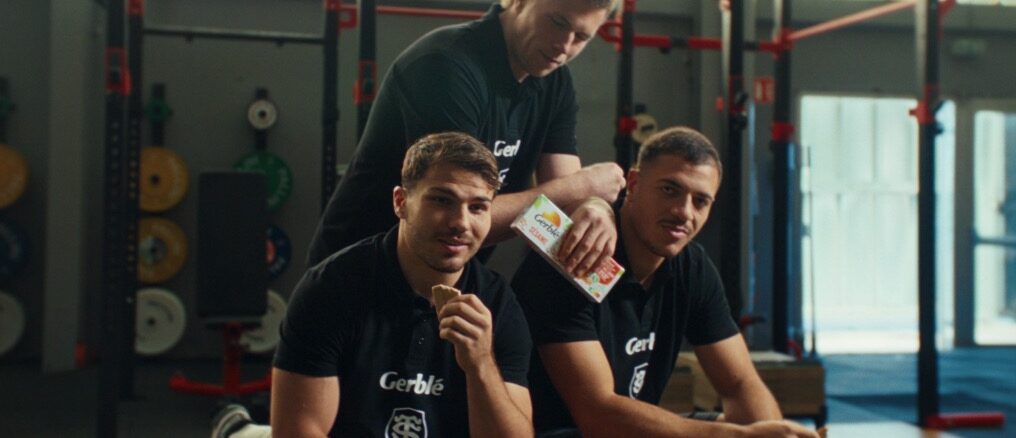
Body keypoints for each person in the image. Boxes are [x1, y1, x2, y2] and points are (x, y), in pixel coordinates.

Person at [214, 132, 533, 437]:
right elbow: (298, 431)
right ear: (401, 202)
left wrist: (481, 366)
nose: (461, 223)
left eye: (478, 207)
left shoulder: (498, 304)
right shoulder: (330, 289)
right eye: (441, 200)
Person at [511, 126, 820, 438]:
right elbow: (597, 414)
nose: (683, 212)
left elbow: (740, 384)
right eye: (670, 190)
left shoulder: (691, 267)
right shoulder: (572, 257)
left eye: (701, 201)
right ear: (633, 184)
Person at [309, 0, 626, 279]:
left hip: (437, 276)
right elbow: (452, 218)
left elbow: (563, 204)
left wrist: (595, 209)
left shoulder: (555, 82)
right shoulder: (444, 65)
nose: (564, 45)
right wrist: (583, 188)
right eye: (557, 22)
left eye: (582, 37)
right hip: (356, 272)